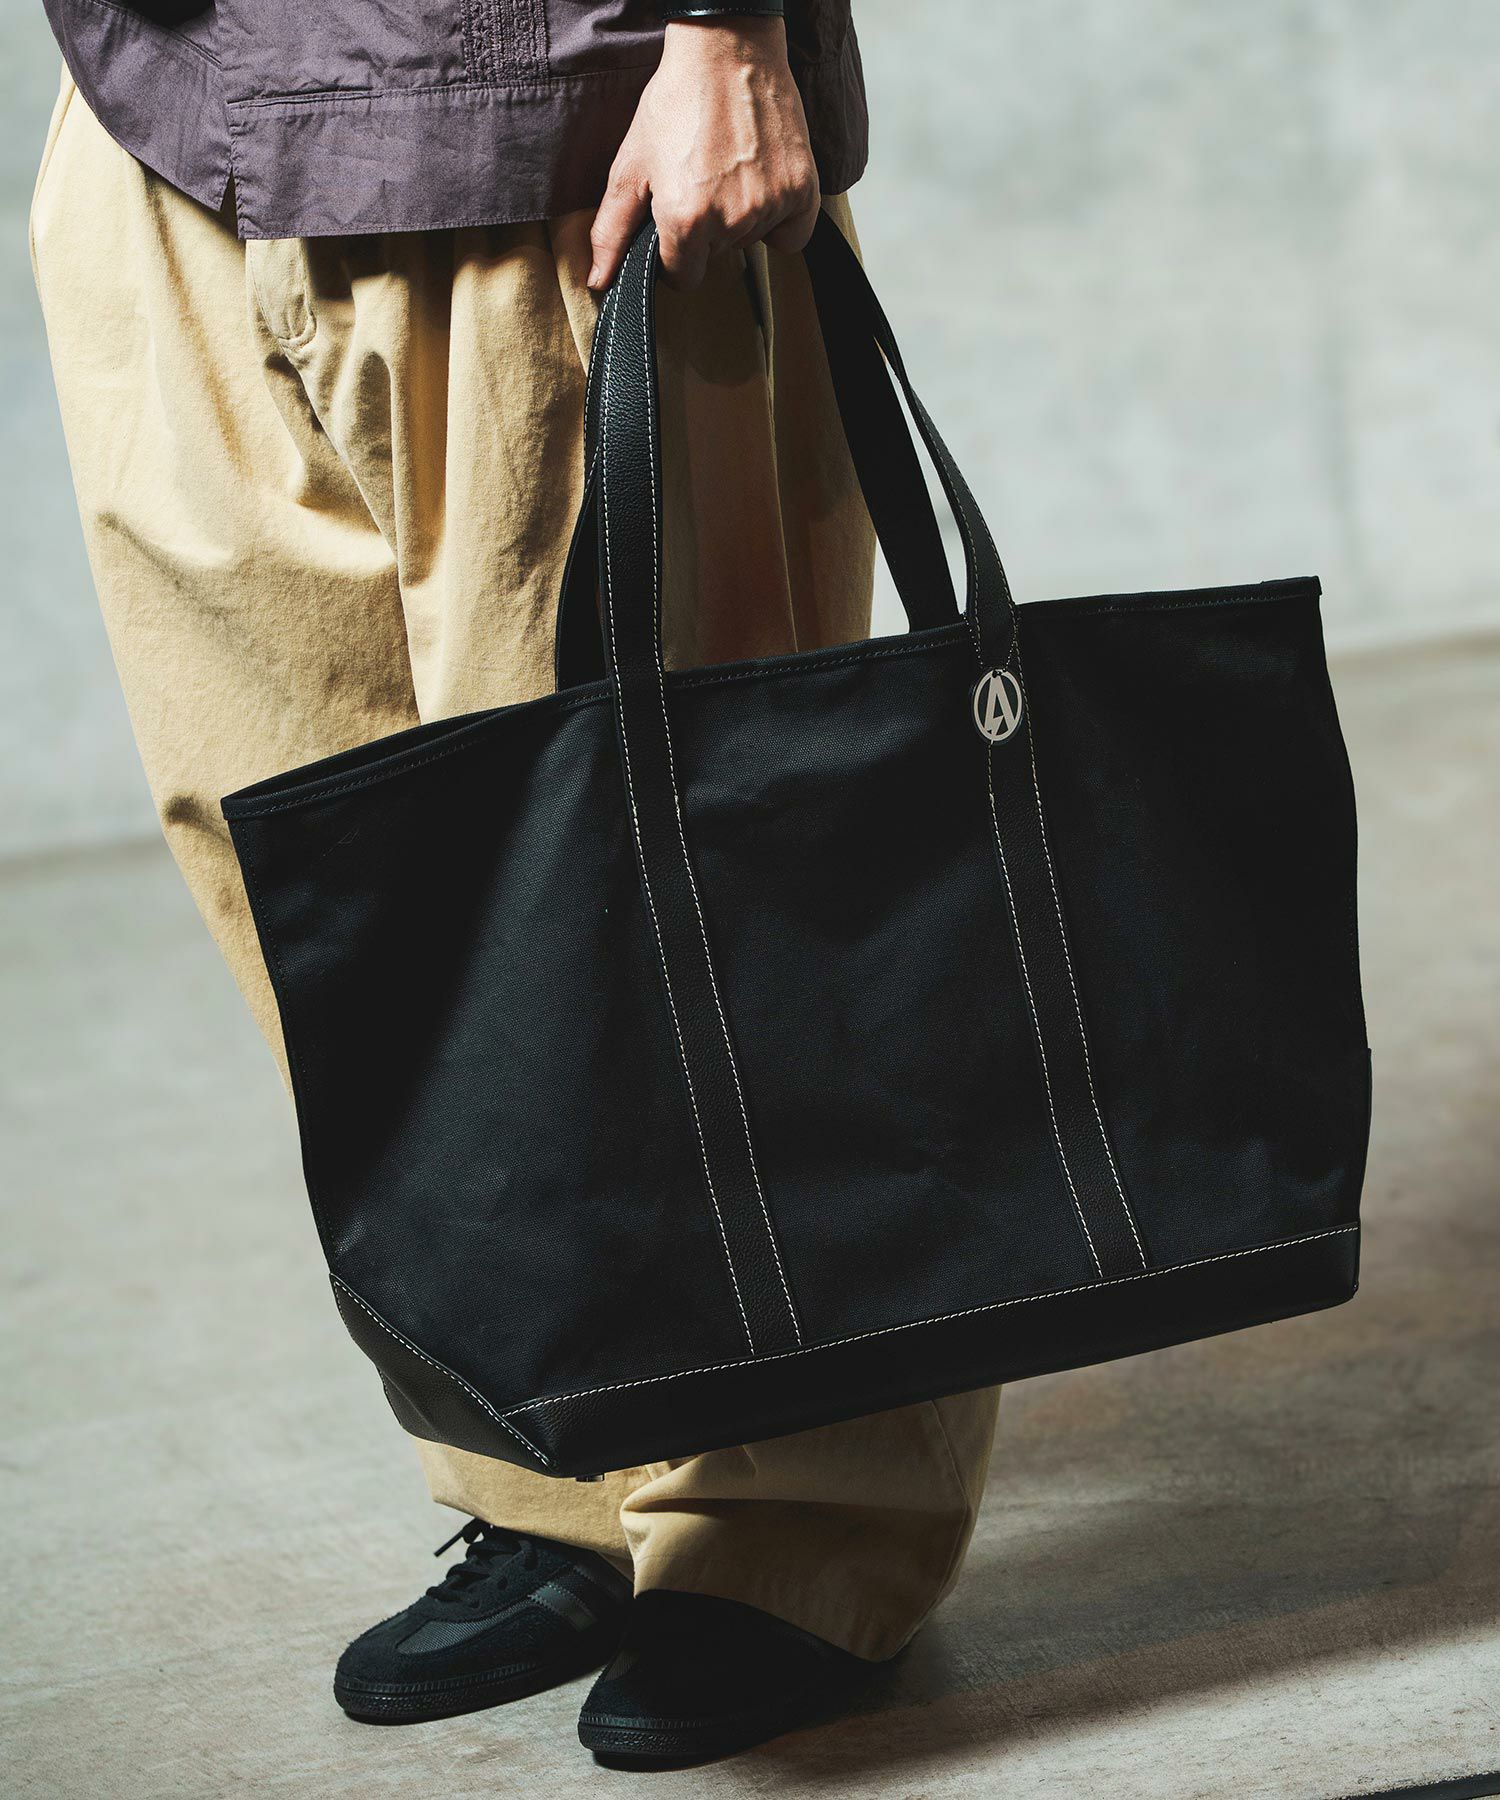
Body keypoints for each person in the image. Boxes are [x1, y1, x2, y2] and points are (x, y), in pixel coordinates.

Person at [31, 0, 1001, 1766]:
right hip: (163, 104)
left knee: (700, 869)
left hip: (557, 117)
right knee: (335, 888)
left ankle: (800, 1519)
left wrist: (728, 35)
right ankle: (557, 1469)